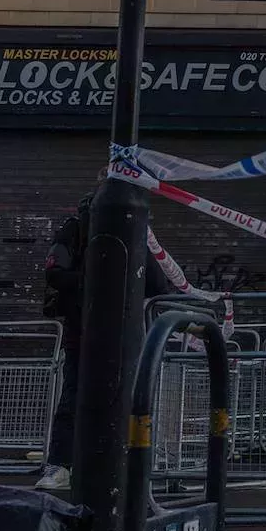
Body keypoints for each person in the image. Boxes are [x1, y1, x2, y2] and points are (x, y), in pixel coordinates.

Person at [38, 186, 169, 490]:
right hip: (87, 334)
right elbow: (55, 273)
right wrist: (100, 279)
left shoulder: (129, 234)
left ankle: (117, 460)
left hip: (116, 337)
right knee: (75, 399)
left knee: (120, 399)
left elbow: (157, 282)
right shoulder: (74, 233)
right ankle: (61, 464)